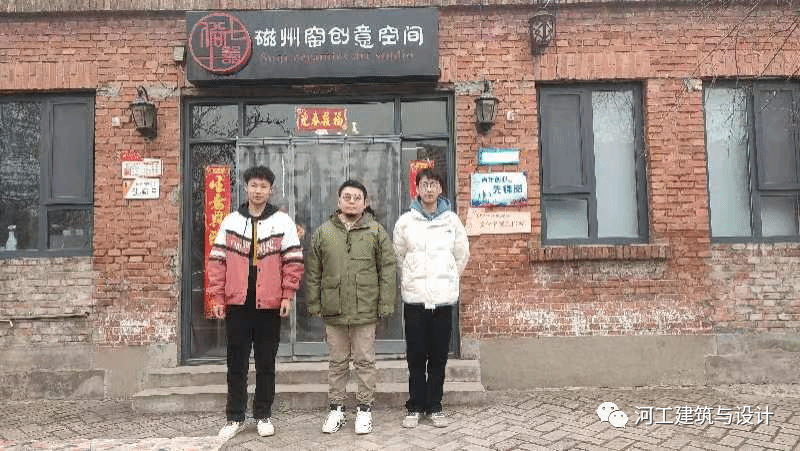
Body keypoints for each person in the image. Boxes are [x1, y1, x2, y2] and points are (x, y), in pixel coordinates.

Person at [207, 165, 304, 441]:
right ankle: (235, 417)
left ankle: (263, 414)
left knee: (265, 362)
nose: (258, 191)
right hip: (237, 302)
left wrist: (287, 295)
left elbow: (293, 262)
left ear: (270, 190)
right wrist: (217, 296)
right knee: (236, 362)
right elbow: (217, 261)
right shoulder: (231, 221)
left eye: (263, 186)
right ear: (246, 188)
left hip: (269, 303)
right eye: (253, 185)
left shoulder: (282, 222)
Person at [306, 179, 396, 435]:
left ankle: (364, 410)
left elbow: (387, 269)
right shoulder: (324, 232)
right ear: (338, 201)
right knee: (337, 362)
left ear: (365, 203)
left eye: (357, 198)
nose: (352, 202)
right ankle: (336, 409)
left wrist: (385, 303)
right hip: (333, 310)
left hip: (365, 309)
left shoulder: (376, 231)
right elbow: (313, 272)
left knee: (365, 361)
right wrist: (314, 303)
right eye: (347, 197)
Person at [393, 169, 470, 429]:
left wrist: (447, 277)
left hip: (443, 301)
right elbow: (399, 256)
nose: (429, 189)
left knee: (438, 357)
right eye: (424, 184)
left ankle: (435, 406)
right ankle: (415, 407)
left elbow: (461, 255)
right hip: (415, 301)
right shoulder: (405, 222)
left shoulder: (452, 221)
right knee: (416, 357)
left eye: (433, 184)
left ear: (440, 189)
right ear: (417, 188)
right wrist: (412, 277)